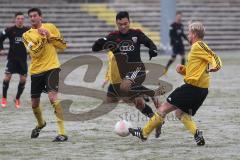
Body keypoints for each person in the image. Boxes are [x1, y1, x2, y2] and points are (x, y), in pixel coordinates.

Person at [129, 21, 222, 146]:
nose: (188, 36)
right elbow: (196, 72)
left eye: (189, 33)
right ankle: (197, 134)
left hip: (192, 88)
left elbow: (213, 56)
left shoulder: (198, 45)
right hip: (201, 90)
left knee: (163, 108)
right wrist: (184, 70)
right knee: (179, 113)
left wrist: (217, 66)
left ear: (194, 34)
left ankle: (144, 133)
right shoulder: (197, 49)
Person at [93, 11, 163, 138]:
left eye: (125, 23)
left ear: (129, 22)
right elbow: (95, 48)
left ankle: (152, 94)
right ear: (116, 24)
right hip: (120, 78)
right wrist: (99, 42)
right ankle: (155, 120)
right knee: (132, 103)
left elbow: (148, 42)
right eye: (120, 24)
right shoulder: (112, 37)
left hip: (136, 70)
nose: (123, 26)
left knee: (125, 87)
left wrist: (153, 49)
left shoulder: (136, 33)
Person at [22, 8, 68, 142]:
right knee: (34, 103)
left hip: (52, 67)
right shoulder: (27, 35)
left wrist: (49, 35)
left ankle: (62, 133)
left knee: (53, 98)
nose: (32, 18)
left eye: (35, 15)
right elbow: (34, 53)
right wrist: (43, 39)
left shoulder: (50, 27)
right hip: (36, 71)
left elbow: (62, 45)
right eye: (30, 16)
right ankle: (41, 124)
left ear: (40, 17)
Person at [0, 12, 29, 108]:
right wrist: (1, 49)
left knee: (23, 79)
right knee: (7, 78)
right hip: (12, 59)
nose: (20, 20)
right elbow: (1, 37)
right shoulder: (10, 29)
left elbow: (35, 40)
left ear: (23, 20)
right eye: (18, 18)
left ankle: (17, 98)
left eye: (22, 18)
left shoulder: (27, 30)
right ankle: (4, 98)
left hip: (23, 59)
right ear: (15, 19)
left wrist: (33, 52)